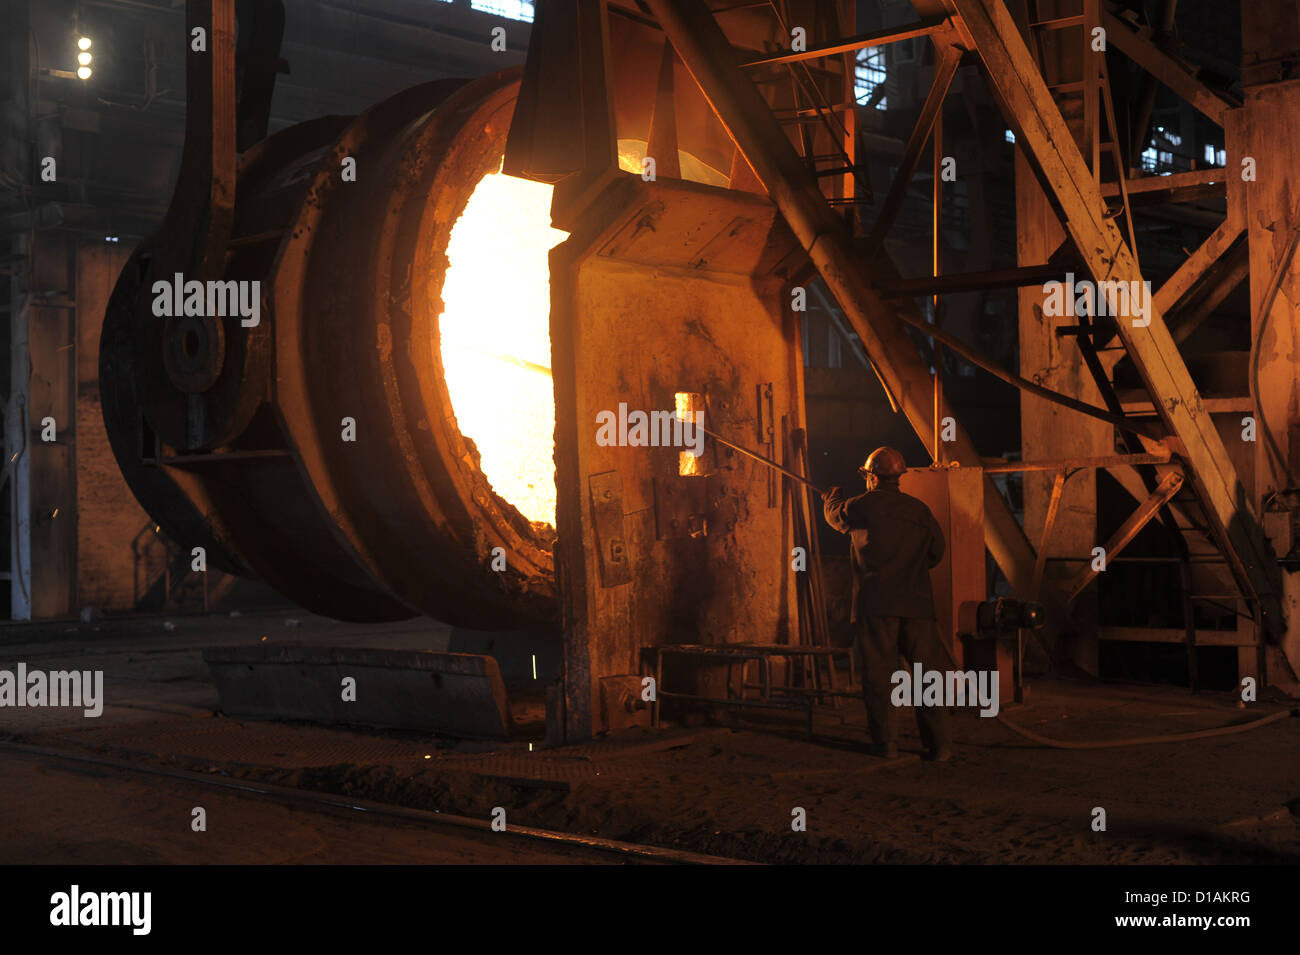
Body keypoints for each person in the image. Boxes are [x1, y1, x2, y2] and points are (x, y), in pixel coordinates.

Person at [822, 447, 952, 761]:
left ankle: (887, 745)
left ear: (873, 477)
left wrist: (831, 497)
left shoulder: (863, 505)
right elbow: (936, 552)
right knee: (927, 677)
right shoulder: (919, 511)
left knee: (879, 676)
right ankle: (939, 746)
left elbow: (835, 517)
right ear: (898, 477)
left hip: (877, 604)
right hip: (917, 605)